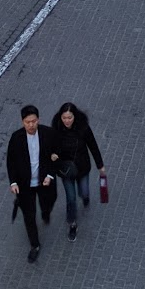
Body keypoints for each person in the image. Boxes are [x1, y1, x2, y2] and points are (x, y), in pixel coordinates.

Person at [6, 104, 58, 262]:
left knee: (49, 200)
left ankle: (46, 212)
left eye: (34, 121)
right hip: (25, 185)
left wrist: (50, 175)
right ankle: (34, 245)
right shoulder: (16, 138)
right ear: (23, 122)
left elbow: (56, 155)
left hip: (44, 181)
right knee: (29, 216)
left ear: (38, 120)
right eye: (28, 122)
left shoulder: (48, 134)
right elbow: (11, 162)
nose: (31, 125)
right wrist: (13, 183)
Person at [47, 102, 105, 240]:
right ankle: (72, 223)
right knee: (71, 198)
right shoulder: (56, 130)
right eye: (64, 118)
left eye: (69, 117)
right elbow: (50, 147)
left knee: (84, 191)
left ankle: (85, 197)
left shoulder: (83, 128)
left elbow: (93, 146)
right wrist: (53, 155)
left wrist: (100, 165)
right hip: (66, 169)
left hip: (82, 167)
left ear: (75, 116)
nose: (67, 121)